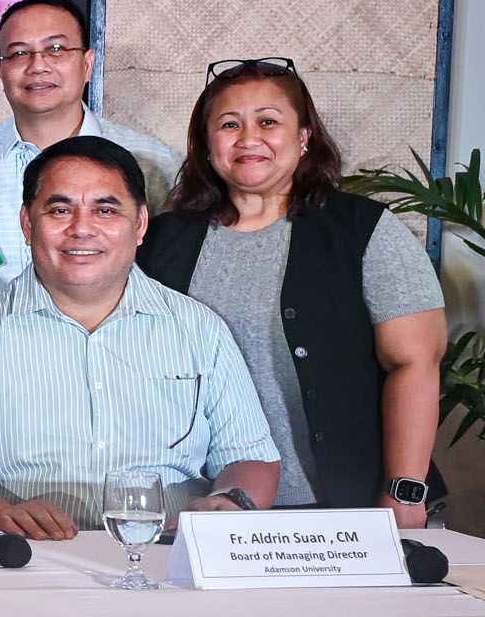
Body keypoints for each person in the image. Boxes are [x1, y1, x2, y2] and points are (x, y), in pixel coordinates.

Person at [0, 136, 281, 538]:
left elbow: (251, 457)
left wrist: (228, 504)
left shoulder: (198, 328)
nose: (81, 229)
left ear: (140, 224)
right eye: (59, 209)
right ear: (27, 223)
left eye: (105, 210)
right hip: (29, 562)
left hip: (169, 558)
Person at [139, 59, 446, 525]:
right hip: (199, 508)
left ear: (304, 137)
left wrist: (405, 493)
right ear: (207, 143)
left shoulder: (364, 232)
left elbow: (415, 364)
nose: (248, 138)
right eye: (228, 124)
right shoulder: (163, 241)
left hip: (342, 507)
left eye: (268, 121)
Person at [0, 0, 183, 286]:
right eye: (20, 53)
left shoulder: (154, 162)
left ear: (88, 64)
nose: (38, 66)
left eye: (56, 48)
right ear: (0, 71)